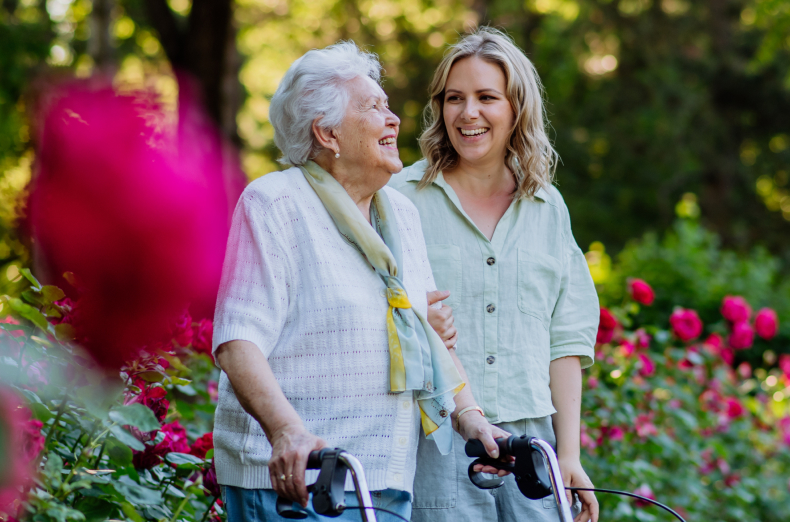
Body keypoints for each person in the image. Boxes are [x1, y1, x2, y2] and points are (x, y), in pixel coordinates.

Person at [211, 41, 505, 522]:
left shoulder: (401, 214)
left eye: (388, 106)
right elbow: (237, 341)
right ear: (328, 132)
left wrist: (470, 416)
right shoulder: (275, 204)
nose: (394, 120)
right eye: (374, 107)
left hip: (385, 478)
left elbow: (425, 334)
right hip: (300, 481)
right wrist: (287, 431)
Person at [393, 28, 601, 522]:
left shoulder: (547, 207)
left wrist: (567, 456)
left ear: (516, 109)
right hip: (438, 445)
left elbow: (565, 339)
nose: (468, 113)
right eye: (454, 98)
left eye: (487, 97)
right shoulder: (400, 198)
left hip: (533, 448)